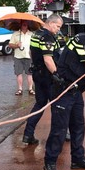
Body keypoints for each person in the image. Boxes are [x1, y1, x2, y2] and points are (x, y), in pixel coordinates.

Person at [43, 16, 85, 170]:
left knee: (78, 126)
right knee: (59, 130)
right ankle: (50, 162)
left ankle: (77, 158)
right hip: (63, 91)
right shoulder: (83, 40)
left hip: (75, 91)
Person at [21, 14, 63, 145]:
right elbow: (48, 59)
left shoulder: (36, 34)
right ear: (51, 23)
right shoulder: (47, 37)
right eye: (57, 26)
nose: (58, 30)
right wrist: (57, 75)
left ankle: (28, 134)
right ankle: (58, 136)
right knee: (57, 105)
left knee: (39, 105)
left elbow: (30, 53)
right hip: (48, 77)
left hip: (37, 75)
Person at [8, 21, 34, 95]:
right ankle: (20, 89)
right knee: (18, 73)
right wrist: (16, 45)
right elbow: (10, 44)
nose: (24, 25)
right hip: (18, 57)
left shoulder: (31, 34)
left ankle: (30, 89)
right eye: (23, 23)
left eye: (26, 23)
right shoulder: (15, 34)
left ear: (28, 25)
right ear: (20, 25)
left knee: (30, 73)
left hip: (29, 56)